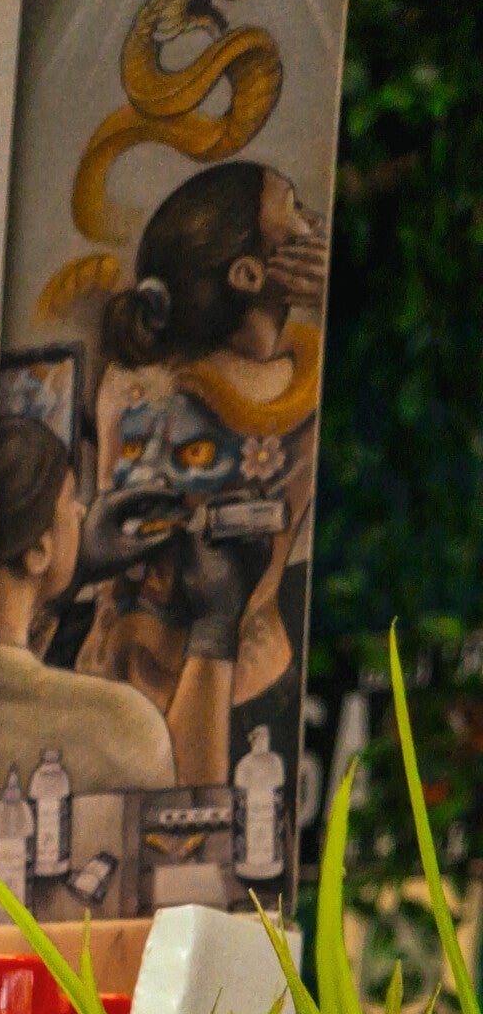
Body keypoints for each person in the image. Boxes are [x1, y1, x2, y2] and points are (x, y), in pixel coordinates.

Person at [77, 160, 324, 785]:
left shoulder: (126, 380)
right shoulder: (299, 387)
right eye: (294, 209)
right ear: (249, 274)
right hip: (244, 687)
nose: (314, 225)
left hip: (113, 685)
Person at [0, 414, 172, 821]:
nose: (82, 512)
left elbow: (8, 666)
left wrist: (70, 576)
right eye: (70, 499)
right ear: (38, 551)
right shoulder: (124, 725)